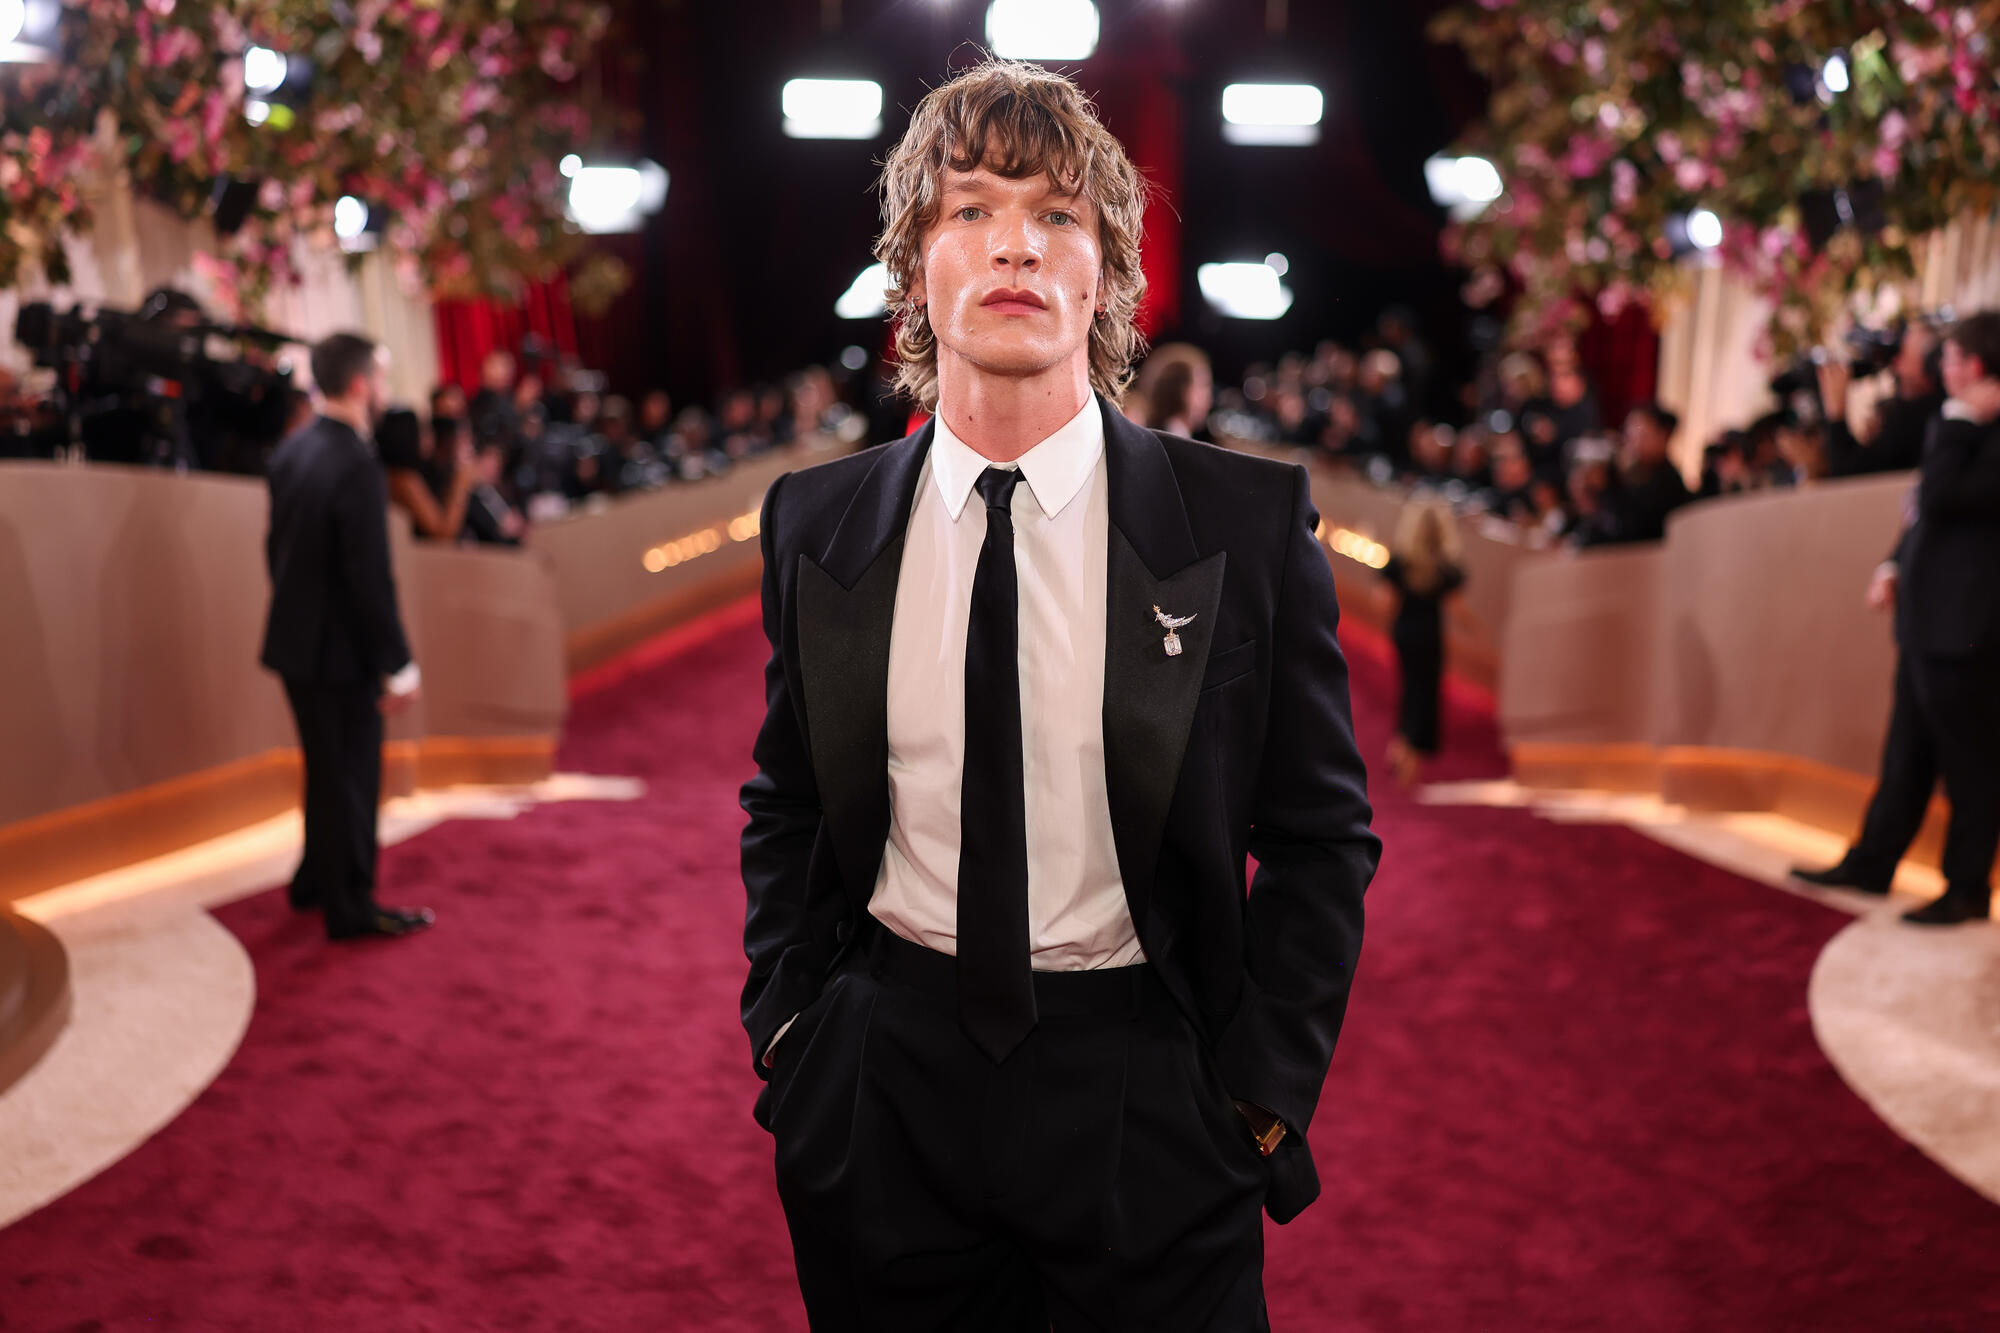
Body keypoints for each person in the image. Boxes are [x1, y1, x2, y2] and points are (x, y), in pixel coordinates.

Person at [739, 59, 1380, 1331]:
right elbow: (788, 799)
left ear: (1105, 276)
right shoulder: (814, 523)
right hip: (882, 1095)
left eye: (1055, 215)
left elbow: (1319, 838)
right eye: (969, 210)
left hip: (1148, 1096)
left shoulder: (1243, 525)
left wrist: (1253, 1097)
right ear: (912, 267)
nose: (1013, 246)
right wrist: (791, 1031)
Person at [1793, 310, 2000, 925]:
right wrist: (1894, 562)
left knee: (1971, 762)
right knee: (1906, 751)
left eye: (1952, 358)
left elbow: (1946, 495)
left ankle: (1966, 887)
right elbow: (1924, 512)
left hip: (1971, 623)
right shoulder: (1959, 423)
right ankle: (1873, 861)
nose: (1943, 368)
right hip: (1929, 615)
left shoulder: (1971, 427)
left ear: (1976, 364)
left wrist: (1959, 423)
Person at [259, 333, 435, 941]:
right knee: (352, 776)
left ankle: (314, 880)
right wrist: (398, 663)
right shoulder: (356, 463)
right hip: (340, 652)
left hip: (294, 643)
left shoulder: (293, 450)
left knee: (326, 769)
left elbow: (275, 551)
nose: (384, 390)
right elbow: (369, 577)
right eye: (381, 378)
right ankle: (351, 905)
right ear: (360, 384)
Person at [1379, 502, 1465, 786]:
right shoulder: (1446, 568)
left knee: (1409, 688)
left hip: (1405, 632)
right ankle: (1409, 756)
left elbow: (1385, 602)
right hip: (1430, 636)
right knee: (1425, 693)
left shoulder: (1401, 561)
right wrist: (1477, 629)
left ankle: (1401, 745)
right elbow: (1456, 607)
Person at [1819, 324, 1945, 477]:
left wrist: (1836, 414)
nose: (1896, 366)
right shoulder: (1934, 409)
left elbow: (1850, 473)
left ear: (1931, 365)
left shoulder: (1915, 417)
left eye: (1903, 355)